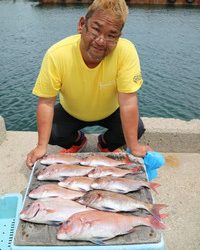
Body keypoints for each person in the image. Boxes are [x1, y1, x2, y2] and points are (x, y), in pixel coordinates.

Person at [26, 0, 151, 168]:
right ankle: (77, 141)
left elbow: (128, 103)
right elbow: (46, 102)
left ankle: (105, 144)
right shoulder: (57, 54)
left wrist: (133, 146)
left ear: (118, 38)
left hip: (110, 110)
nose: (101, 40)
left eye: (111, 35)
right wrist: (41, 147)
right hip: (72, 111)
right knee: (53, 132)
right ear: (81, 24)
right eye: (96, 29)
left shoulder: (126, 52)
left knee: (136, 128)